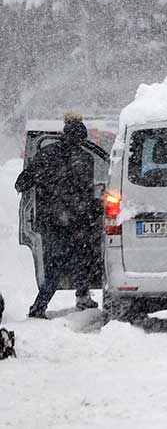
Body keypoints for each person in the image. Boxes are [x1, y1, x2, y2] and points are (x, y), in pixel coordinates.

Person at [15, 114, 98, 318]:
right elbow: (87, 194)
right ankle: (80, 297)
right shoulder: (86, 159)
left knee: (55, 264)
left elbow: (21, 183)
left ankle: (41, 306)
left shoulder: (46, 154)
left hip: (51, 221)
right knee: (84, 259)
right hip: (77, 222)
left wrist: (39, 183)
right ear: (81, 139)